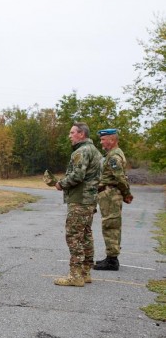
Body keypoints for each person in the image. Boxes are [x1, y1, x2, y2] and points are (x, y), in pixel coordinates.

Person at [53, 122, 102, 287]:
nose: (69, 136)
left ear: (81, 134)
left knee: (74, 236)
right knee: (86, 236)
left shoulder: (81, 151)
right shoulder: (95, 151)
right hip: (89, 200)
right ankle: (85, 272)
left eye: (72, 132)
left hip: (80, 200)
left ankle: (75, 276)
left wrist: (61, 184)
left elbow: (77, 175)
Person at [94, 128, 134, 271]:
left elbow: (120, 178)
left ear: (112, 139)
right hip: (108, 194)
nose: (101, 142)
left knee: (111, 225)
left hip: (111, 195)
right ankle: (110, 257)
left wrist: (127, 194)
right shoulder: (112, 154)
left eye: (103, 139)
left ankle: (112, 261)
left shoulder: (114, 157)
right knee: (110, 225)